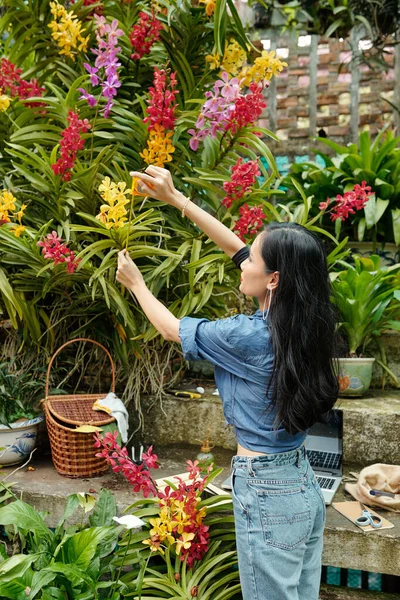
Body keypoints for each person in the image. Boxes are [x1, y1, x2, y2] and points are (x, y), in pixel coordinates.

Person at [116, 165, 339, 600]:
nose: (242, 261)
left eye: (253, 259)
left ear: (273, 279)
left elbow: (171, 329)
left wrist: (136, 285)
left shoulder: (248, 337)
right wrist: (177, 199)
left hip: (267, 491)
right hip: (301, 483)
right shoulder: (306, 324)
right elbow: (237, 248)